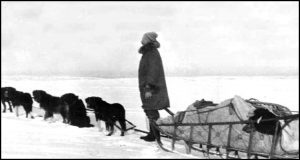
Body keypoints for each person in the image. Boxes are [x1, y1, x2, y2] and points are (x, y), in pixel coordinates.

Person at [138, 32, 170, 143]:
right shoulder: (148, 52)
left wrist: (148, 88)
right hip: (150, 88)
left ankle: (154, 135)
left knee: (151, 111)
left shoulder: (151, 52)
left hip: (152, 89)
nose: (141, 40)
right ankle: (153, 133)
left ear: (148, 40)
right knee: (150, 110)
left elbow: (152, 72)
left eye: (143, 38)